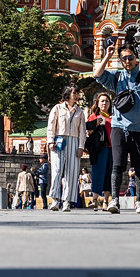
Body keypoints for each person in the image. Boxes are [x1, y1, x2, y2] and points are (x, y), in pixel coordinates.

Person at [93, 36, 140, 214]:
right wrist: (108, 56)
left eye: (130, 57)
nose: (127, 61)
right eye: (123, 58)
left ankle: (139, 201)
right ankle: (114, 200)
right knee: (117, 165)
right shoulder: (116, 77)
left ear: (136, 58)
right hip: (119, 127)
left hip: (139, 128)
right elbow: (97, 75)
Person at [46, 83, 87, 212]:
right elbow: (51, 126)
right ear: (67, 94)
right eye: (74, 93)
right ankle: (54, 199)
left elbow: (82, 130)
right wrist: (50, 141)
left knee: (72, 173)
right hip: (59, 140)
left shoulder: (80, 111)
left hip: (74, 141)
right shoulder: (57, 108)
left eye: (77, 93)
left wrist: (81, 146)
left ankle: (67, 201)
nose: (76, 95)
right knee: (57, 170)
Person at [85, 92, 113, 201]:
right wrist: (96, 124)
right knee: (97, 173)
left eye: (107, 101)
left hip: (111, 148)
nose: (104, 103)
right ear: (97, 103)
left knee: (109, 174)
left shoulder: (113, 117)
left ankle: (106, 200)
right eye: (102, 101)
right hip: (99, 148)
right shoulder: (93, 116)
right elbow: (88, 132)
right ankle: (95, 199)